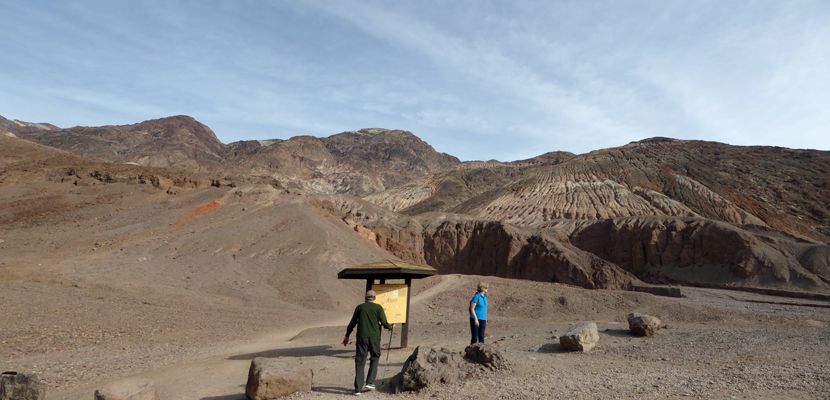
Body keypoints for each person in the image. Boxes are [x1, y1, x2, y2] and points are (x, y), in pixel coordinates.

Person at [343, 290, 394, 396]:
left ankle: (357, 389)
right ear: (374, 298)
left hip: (362, 338)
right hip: (375, 337)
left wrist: (347, 336)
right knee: (375, 357)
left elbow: (352, 323)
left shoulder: (359, 307)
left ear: (366, 298)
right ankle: (370, 382)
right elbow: (384, 322)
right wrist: (390, 327)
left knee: (360, 361)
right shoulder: (378, 308)